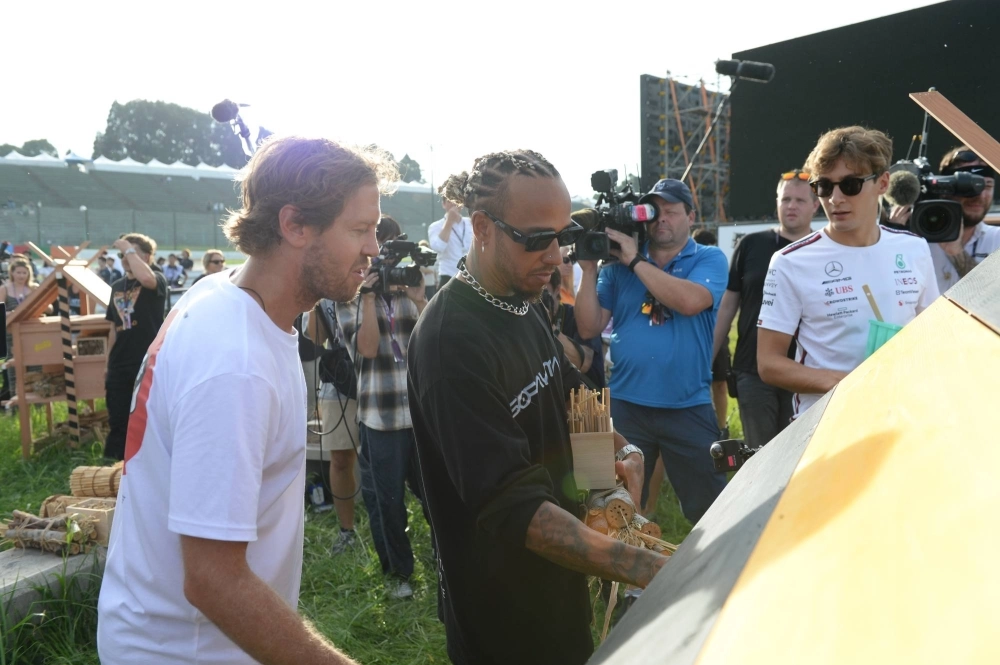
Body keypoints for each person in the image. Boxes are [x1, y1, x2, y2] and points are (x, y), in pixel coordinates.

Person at [97, 136, 397, 665]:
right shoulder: (234, 363)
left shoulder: (223, 294)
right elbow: (214, 581)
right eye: (359, 229)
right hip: (187, 651)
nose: (374, 247)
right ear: (295, 225)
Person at [408, 150, 664, 665]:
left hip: (559, 589)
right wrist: (649, 569)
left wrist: (625, 448)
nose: (556, 256)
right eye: (536, 239)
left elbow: (567, 387)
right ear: (482, 227)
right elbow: (514, 509)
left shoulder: (519, 299)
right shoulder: (450, 343)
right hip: (502, 616)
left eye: (562, 236)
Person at [757, 126, 940, 418]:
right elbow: (769, 363)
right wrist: (846, 384)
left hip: (902, 413)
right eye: (824, 187)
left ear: (882, 183)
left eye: (850, 185)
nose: (835, 198)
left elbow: (932, 336)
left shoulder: (915, 248)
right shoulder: (790, 261)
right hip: (826, 424)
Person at [576, 178, 729, 523]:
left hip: (687, 405)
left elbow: (691, 301)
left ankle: (721, 575)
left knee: (713, 513)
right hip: (628, 406)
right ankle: (633, 574)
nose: (662, 219)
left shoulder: (708, 258)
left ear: (691, 216)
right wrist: (588, 271)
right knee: (617, 510)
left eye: (672, 211)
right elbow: (588, 327)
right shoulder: (616, 268)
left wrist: (634, 261)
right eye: (655, 212)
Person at [335, 215, 428, 600]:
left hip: (421, 416)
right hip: (381, 417)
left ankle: (447, 563)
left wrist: (419, 298)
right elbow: (368, 349)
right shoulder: (347, 297)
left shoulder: (410, 289)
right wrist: (370, 296)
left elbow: (434, 339)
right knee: (387, 503)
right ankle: (398, 575)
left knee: (435, 495)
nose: (383, 263)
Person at [712, 170, 819, 448]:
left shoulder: (823, 252)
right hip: (753, 369)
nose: (791, 206)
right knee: (760, 455)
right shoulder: (751, 245)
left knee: (801, 452)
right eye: (786, 199)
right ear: (777, 202)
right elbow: (728, 306)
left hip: (807, 370)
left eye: (799, 200)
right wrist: (708, 357)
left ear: (815, 205)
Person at [890, 146, 998, 293]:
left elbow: (994, 297)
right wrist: (891, 239)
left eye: (987, 185)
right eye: (968, 185)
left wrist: (957, 253)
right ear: (944, 187)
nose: (979, 195)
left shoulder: (996, 239)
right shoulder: (914, 234)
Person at [102, 234, 168, 461]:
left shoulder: (156, 278)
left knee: (147, 420)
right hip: (120, 362)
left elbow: (147, 279)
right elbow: (113, 327)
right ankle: (113, 470)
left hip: (146, 361)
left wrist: (126, 248)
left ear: (147, 256)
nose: (125, 258)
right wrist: (107, 363)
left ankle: (147, 467)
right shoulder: (117, 286)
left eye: (131, 252)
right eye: (122, 255)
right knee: (118, 420)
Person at [304, 303, 361, 555]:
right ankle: (346, 530)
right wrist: (318, 293)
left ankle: (391, 528)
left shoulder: (377, 275)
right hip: (338, 379)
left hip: (381, 373)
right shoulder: (326, 288)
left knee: (389, 457)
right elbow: (316, 337)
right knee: (339, 458)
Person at [693, 228, 730, 436]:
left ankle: (722, 428)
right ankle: (702, 428)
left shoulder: (718, 264)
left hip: (717, 334)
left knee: (720, 384)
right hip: (695, 334)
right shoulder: (689, 266)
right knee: (699, 384)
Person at [541, 268, 604, 389]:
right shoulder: (527, 317)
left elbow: (584, 364)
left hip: (586, 401)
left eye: (543, 293)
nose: (538, 302)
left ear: (557, 290)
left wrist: (549, 326)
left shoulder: (579, 316)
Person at [1, 256, 41, 400]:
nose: (21, 276)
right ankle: (16, 402)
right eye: (18, 272)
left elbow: (48, 308)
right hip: (11, 335)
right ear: (12, 273)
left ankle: (37, 402)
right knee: (14, 369)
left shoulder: (34, 288)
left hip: (32, 334)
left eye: (24, 273)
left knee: (35, 366)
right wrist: (10, 313)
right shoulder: (4, 289)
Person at [427, 188, 472, 287]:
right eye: (449, 201)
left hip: (470, 276)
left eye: (456, 200)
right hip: (448, 274)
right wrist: (449, 221)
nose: (453, 204)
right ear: (444, 204)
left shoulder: (470, 223)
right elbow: (438, 247)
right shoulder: (435, 226)